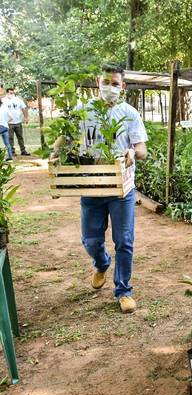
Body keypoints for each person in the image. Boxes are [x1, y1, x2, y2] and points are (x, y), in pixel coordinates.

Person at [68, 65, 147, 313]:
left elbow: (142, 149)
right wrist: (56, 151)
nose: (110, 87)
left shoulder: (129, 113)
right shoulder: (83, 111)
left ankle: (123, 290)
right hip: (91, 185)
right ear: (97, 82)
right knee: (90, 239)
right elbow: (66, 137)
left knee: (124, 241)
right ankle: (101, 263)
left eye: (115, 83)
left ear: (122, 87)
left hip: (121, 189)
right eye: (106, 82)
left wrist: (132, 152)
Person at [2, 88, 30, 156]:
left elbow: (23, 108)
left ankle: (23, 151)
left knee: (20, 137)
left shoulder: (18, 99)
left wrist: (26, 117)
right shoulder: (3, 100)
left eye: (12, 93)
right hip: (8, 123)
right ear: (7, 93)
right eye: (10, 93)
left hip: (18, 122)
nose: (11, 94)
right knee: (10, 138)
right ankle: (12, 151)